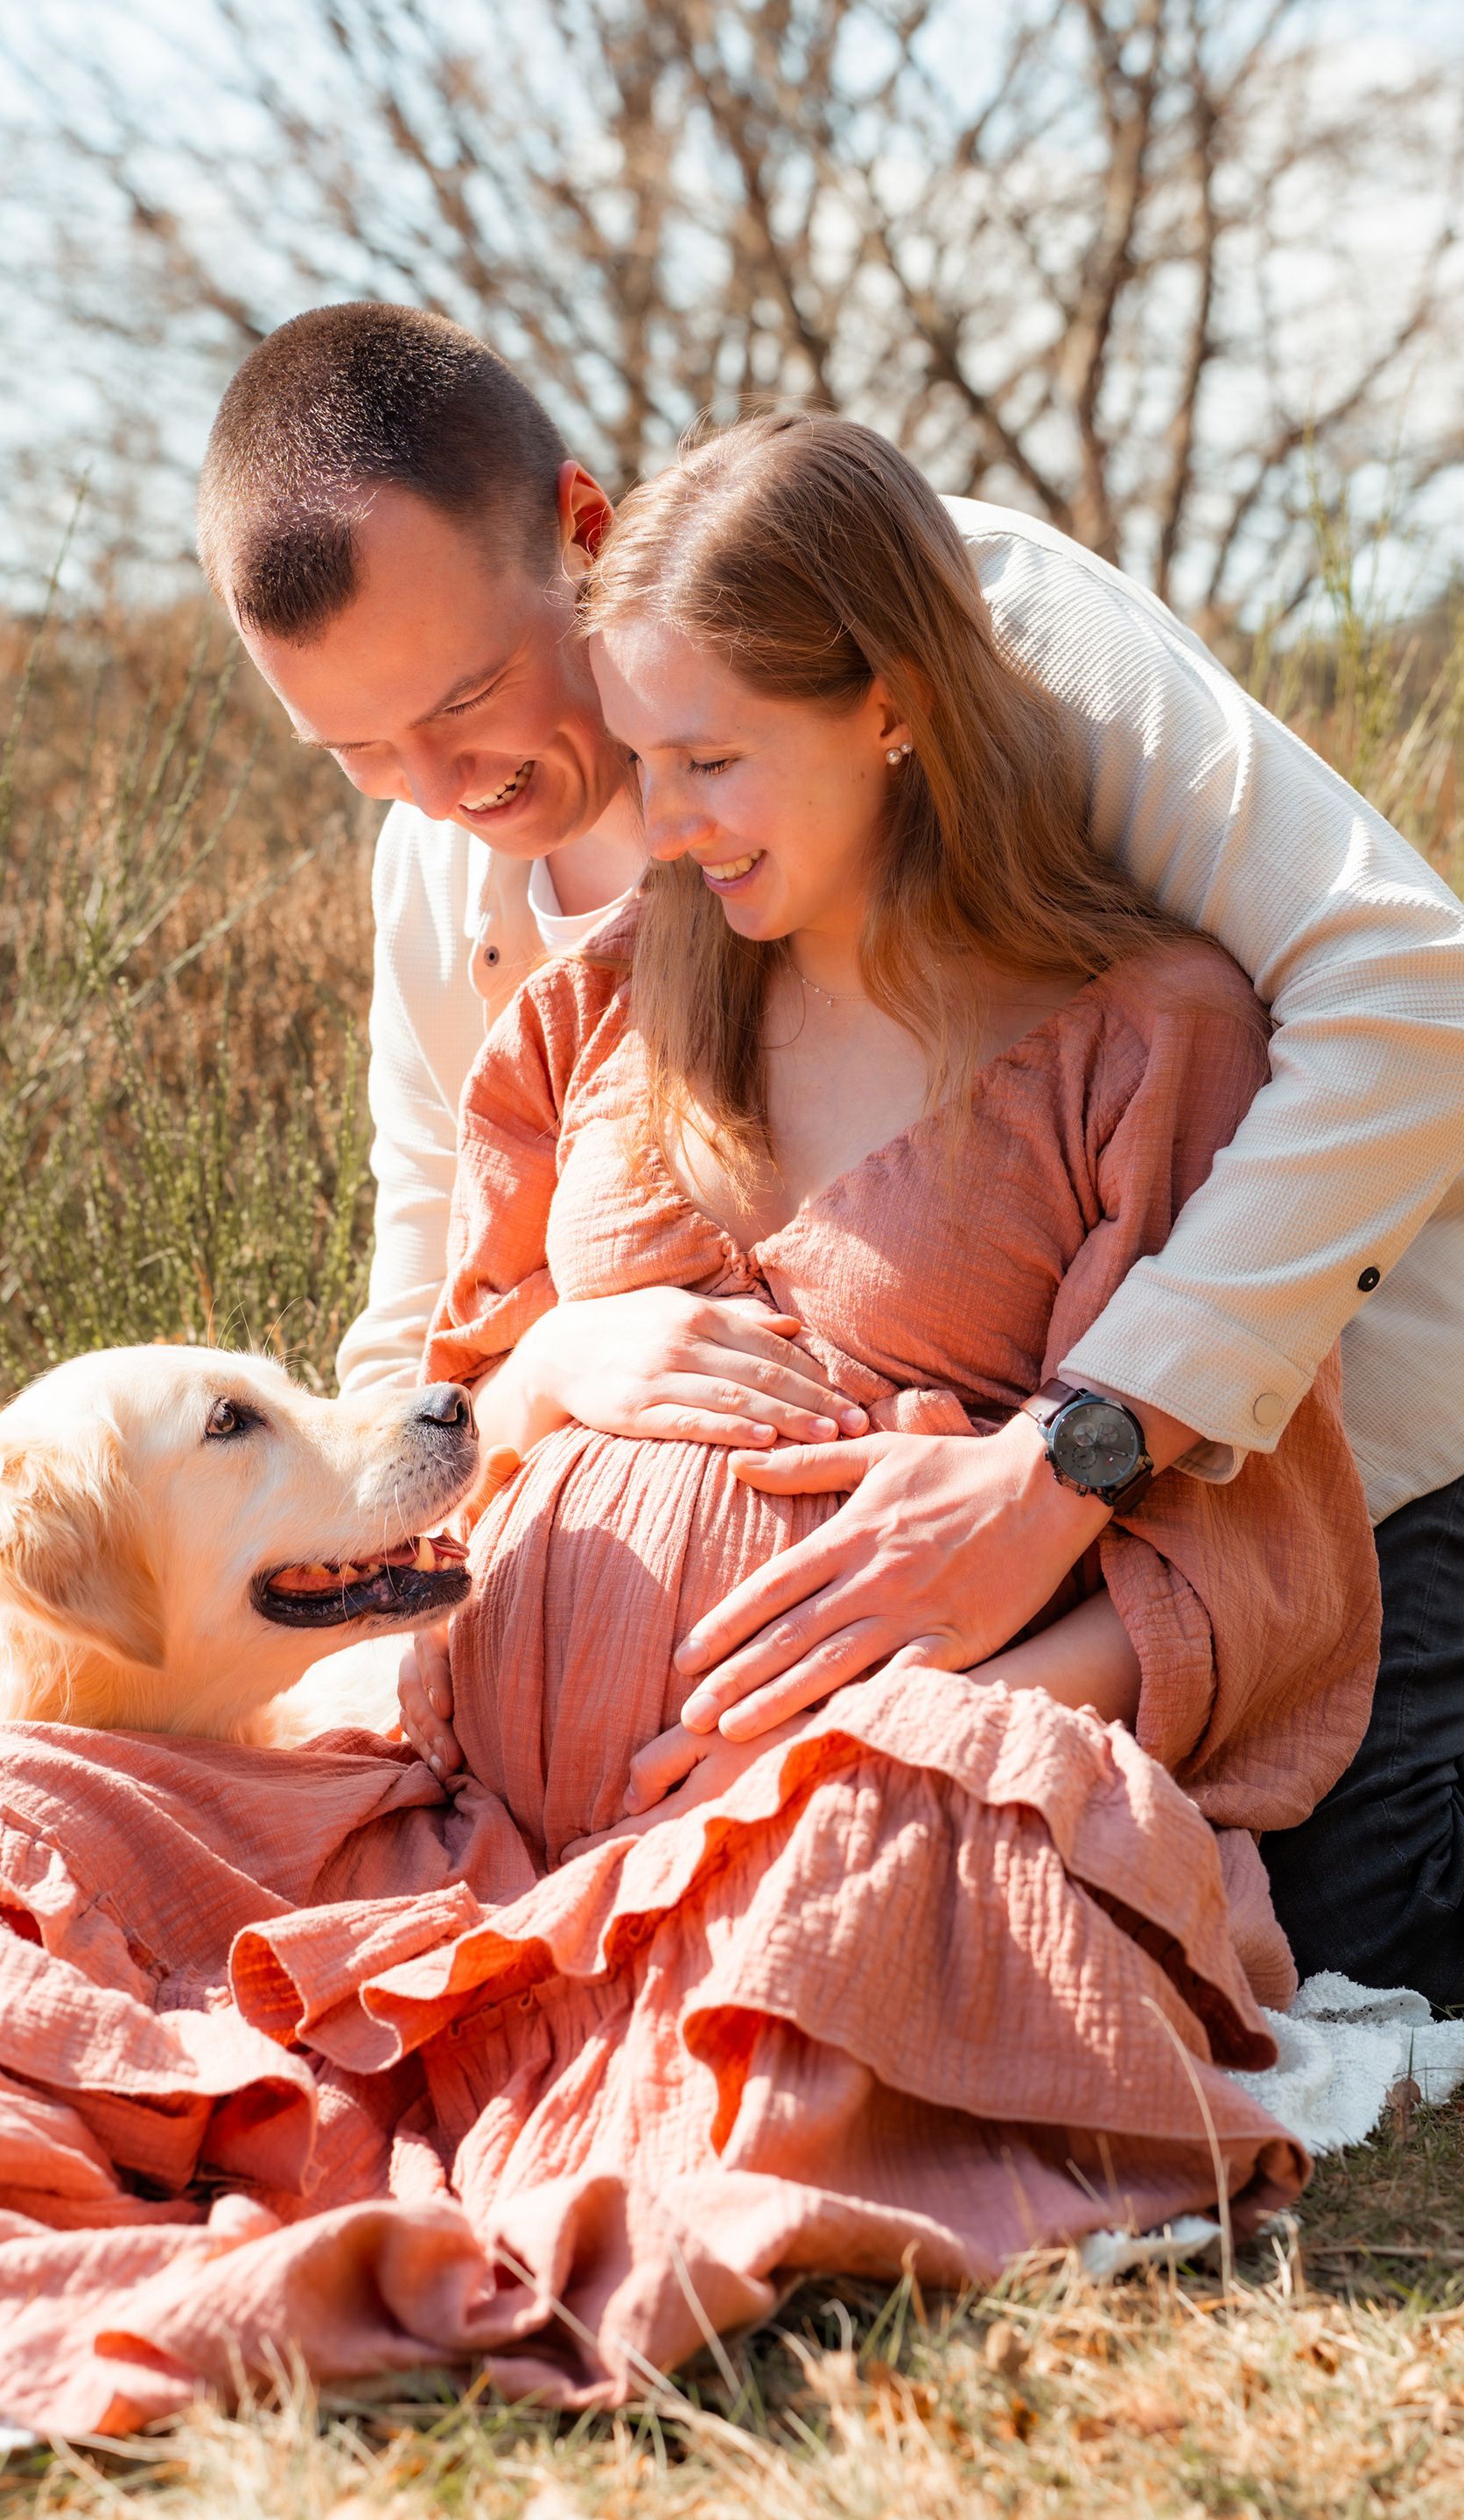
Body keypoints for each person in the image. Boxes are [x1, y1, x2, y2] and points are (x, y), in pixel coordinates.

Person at [198, 303, 1464, 1999]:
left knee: (1350, 1925)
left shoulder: (982, 633)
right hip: (686, 1744)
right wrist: (537, 1396)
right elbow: (418, 1305)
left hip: (1314, 1468)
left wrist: (1066, 1465)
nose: (434, 788)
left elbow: (1403, 990)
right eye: (353, 753)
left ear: (583, 532)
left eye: (469, 698)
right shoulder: (447, 881)